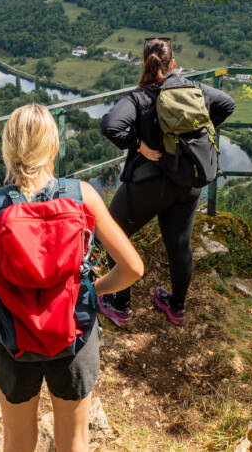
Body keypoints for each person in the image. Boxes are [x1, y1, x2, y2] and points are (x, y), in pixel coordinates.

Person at [0, 104, 143, 452]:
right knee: (74, 440)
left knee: (17, 441)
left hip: (13, 338)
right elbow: (132, 268)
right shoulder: (82, 196)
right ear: (55, 146)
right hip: (74, 333)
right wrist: (90, 291)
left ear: (7, 149)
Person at [97, 37, 235, 326]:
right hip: (187, 182)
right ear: (173, 64)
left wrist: (138, 144)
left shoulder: (140, 97)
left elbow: (110, 125)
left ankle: (120, 305)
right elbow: (227, 103)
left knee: (115, 236)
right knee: (180, 245)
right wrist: (193, 136)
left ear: (144, 62)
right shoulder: (192, 89)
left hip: (148, 184)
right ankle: (176, 307)